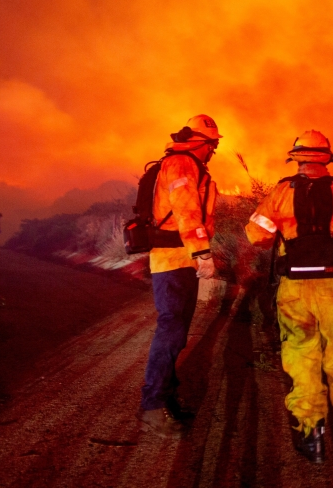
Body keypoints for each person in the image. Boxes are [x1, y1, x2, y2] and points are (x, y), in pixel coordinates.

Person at [244, 130, 333, 463]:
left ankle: (312, 437)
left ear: (298, 158)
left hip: (295, 290)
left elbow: (255, 235)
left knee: (302, 360)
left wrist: (282, 229)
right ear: (328, 159)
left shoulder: (281, 192)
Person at [137, 114, 222, 437]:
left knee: (177, 332)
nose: (212, 151)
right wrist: (202, 251)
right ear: (203, 143)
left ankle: (165, 401)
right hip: (175, 259)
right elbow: (187, 210)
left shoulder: (181, 163)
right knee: (171, 330)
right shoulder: (183, 164)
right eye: (212, 145)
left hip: (176, 260)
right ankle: (153, 406)